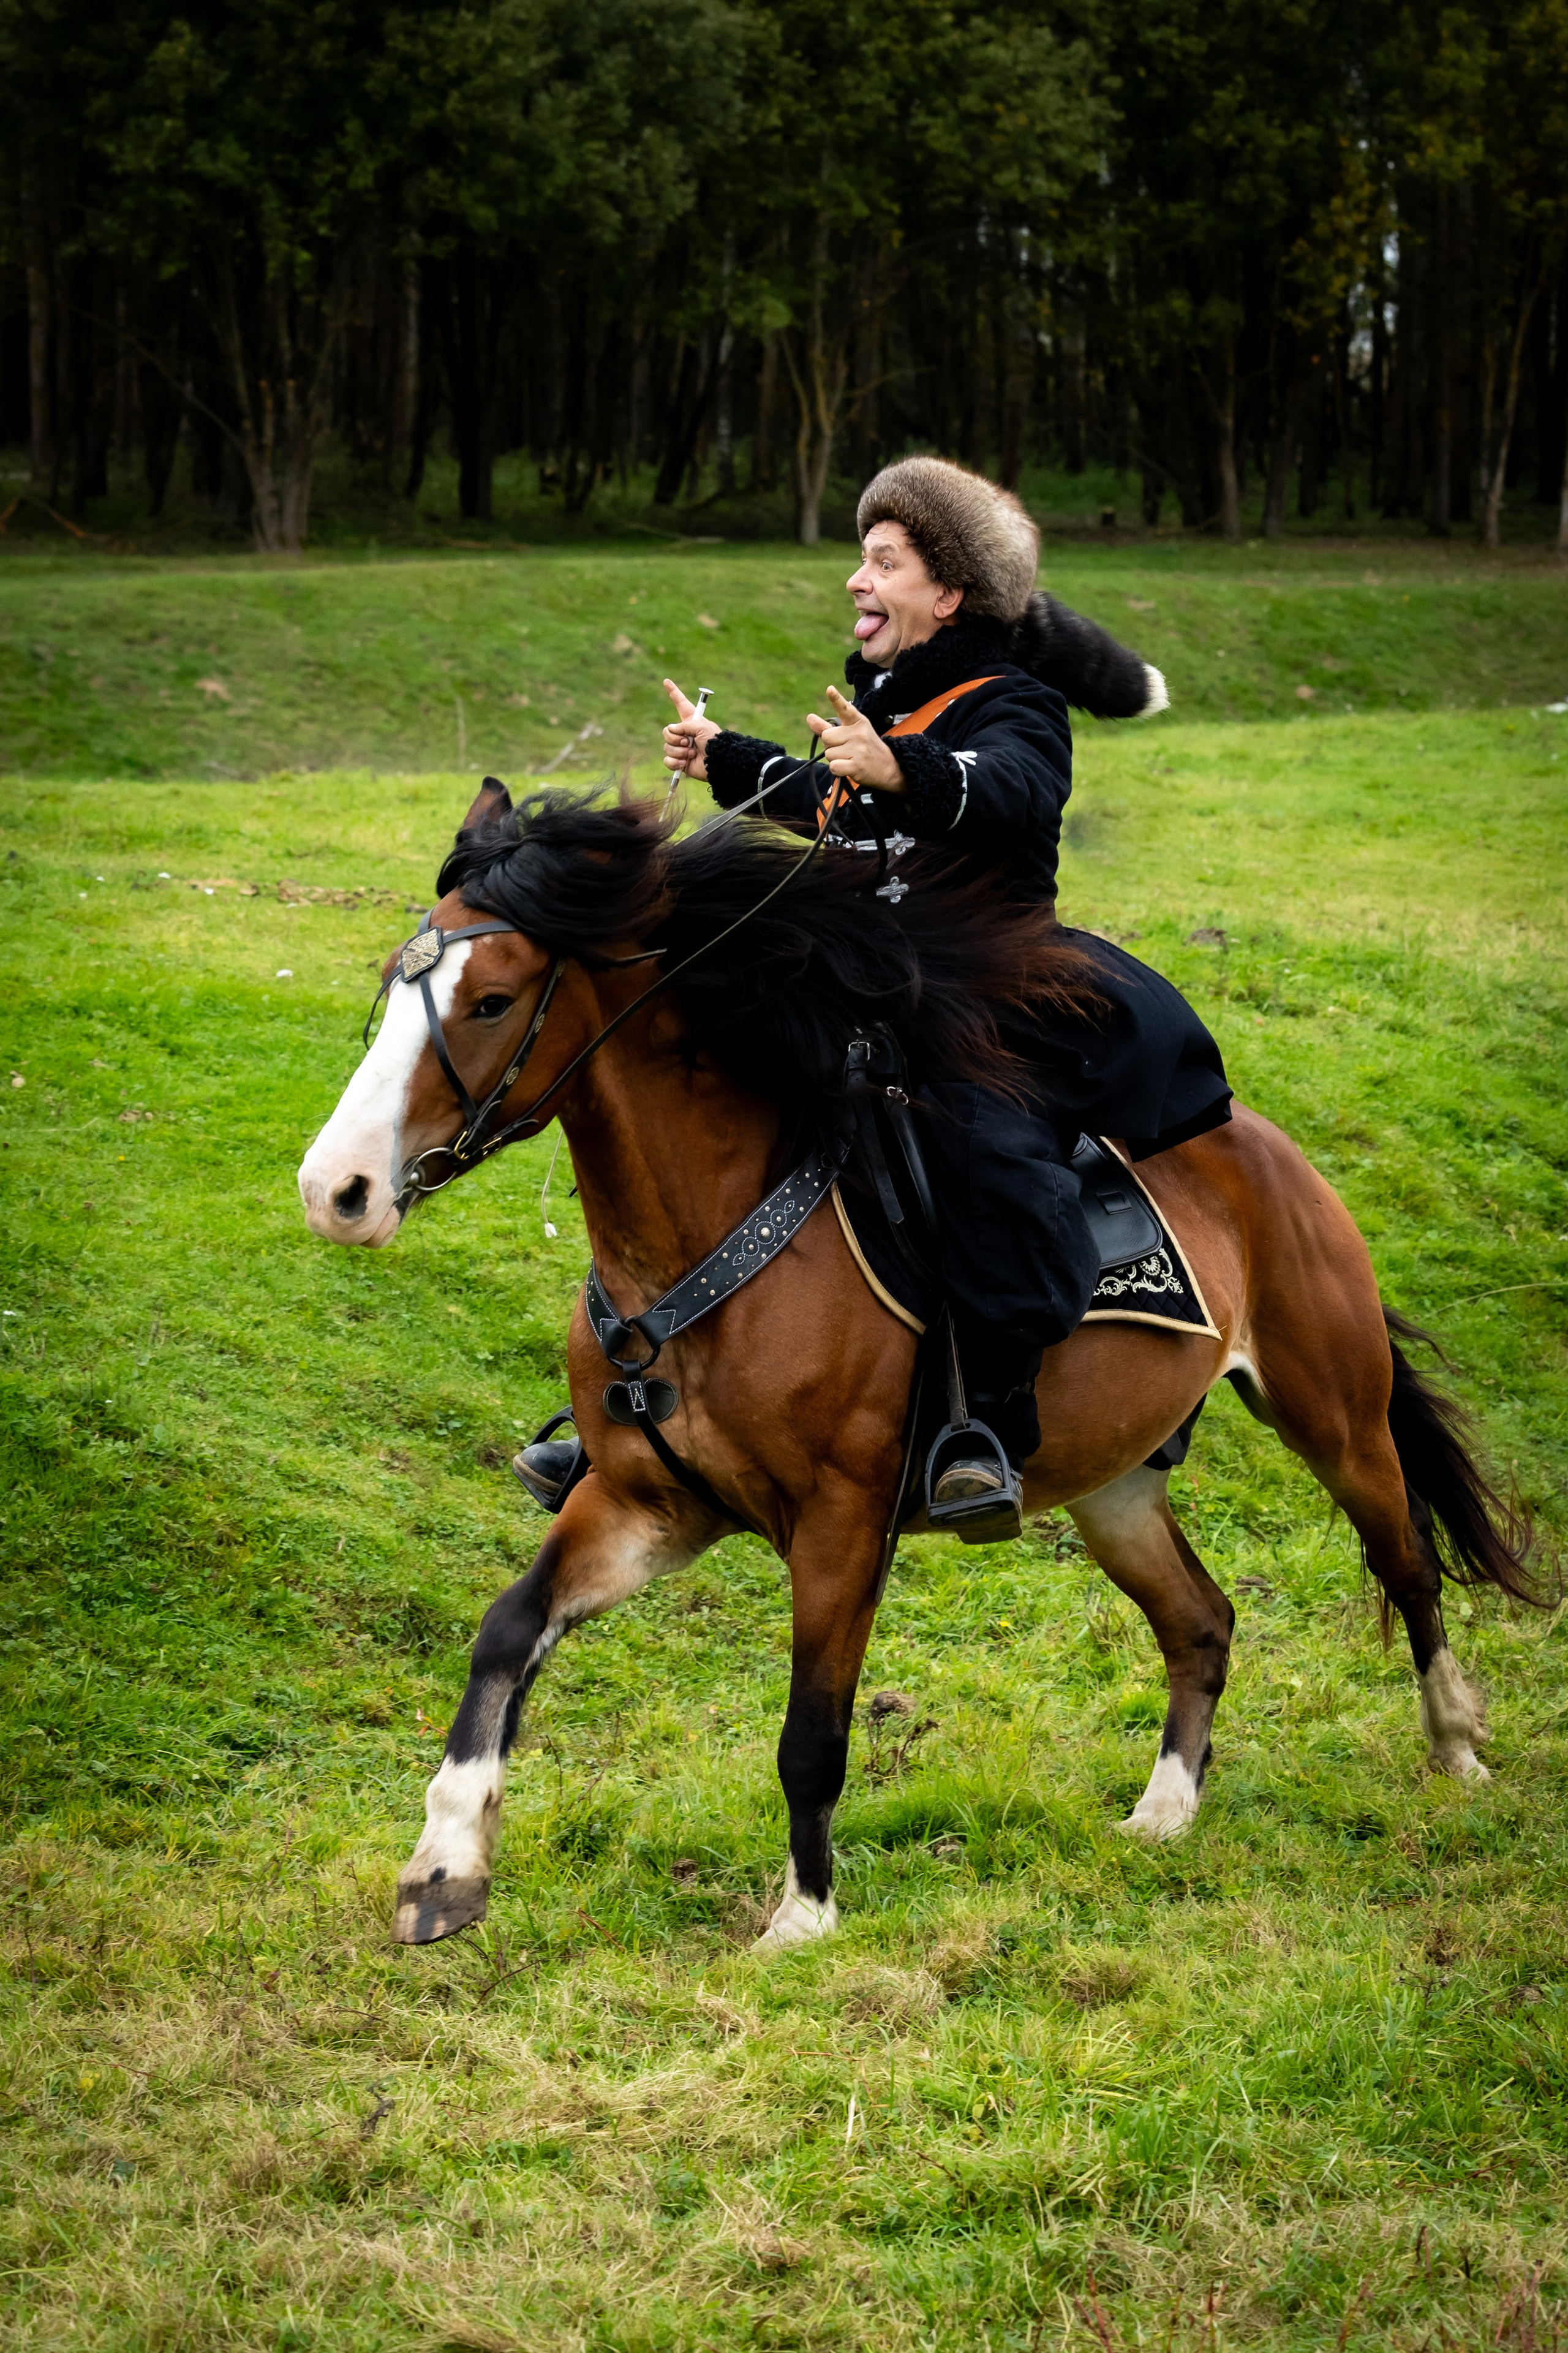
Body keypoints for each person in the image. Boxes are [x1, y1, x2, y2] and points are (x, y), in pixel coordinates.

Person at [651, 456, 1232, 1528]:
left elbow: (1006, 787)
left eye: (884, 562)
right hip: (871, 979)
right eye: (859, 558)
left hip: (991, 996)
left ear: (948, 595)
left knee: (986, 1155)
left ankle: (988, 1423)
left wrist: (906, 770)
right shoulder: (880, 709)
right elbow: (835, 800)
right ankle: (647, 1388)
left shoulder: (1016, 704)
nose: (855, 582)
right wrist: (724, 755)